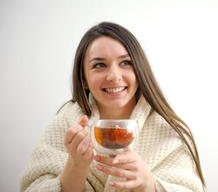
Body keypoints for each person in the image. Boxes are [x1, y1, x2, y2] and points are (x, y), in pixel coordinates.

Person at [20, 22, 206, 192]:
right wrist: (76, 165)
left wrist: (150, 185)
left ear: (139, 70)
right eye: (99, 65)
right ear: (83, 78)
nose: (114, 76)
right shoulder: (64, 127)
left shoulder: (169, 134)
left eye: (125, 63)